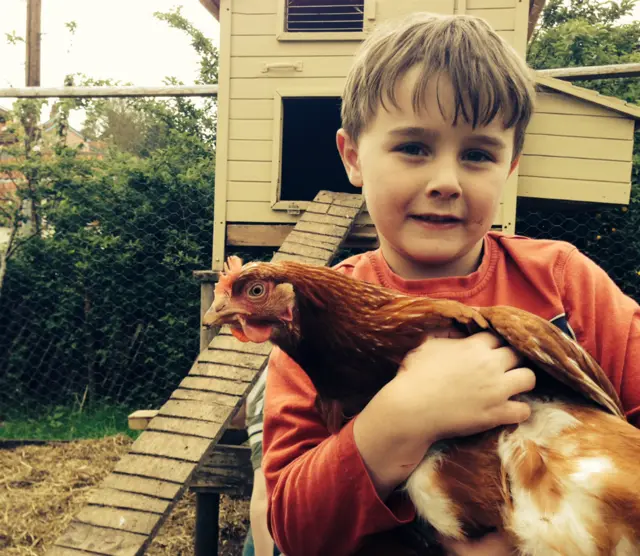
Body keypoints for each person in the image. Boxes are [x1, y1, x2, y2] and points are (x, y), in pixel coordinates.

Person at [260, 12, 640, 556]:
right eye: (413, 147)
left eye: (478, 155)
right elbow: (295, 531)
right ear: (352, 157)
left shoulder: (564, 280)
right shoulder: (309, 322)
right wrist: (402, 417)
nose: (445, 181)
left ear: (510, 169)